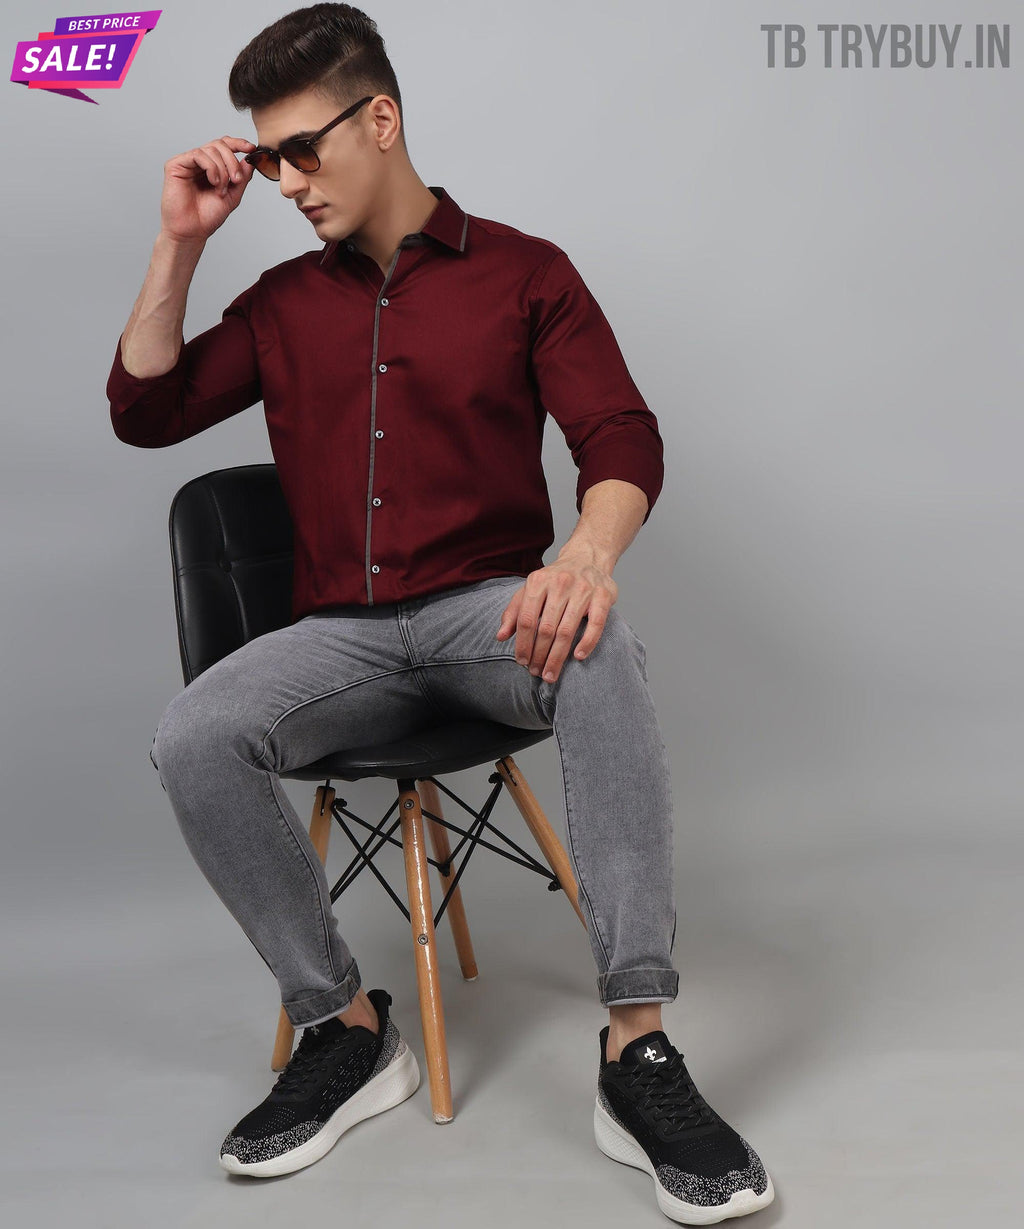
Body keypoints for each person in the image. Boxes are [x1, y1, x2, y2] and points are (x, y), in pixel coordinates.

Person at [106, 3, 774, 1221]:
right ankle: (345, 1028)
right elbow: (145, 412)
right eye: (267, 158)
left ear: (381, 119)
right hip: (338, 640)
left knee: (598, 643)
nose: (285, 182)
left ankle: (636, 1047)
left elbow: (619, 432)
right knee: (194, 731)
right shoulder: (279, 302)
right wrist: (179, 242)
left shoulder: (525, 273)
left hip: (487, 616)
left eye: (302, 149)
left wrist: (585, 556)